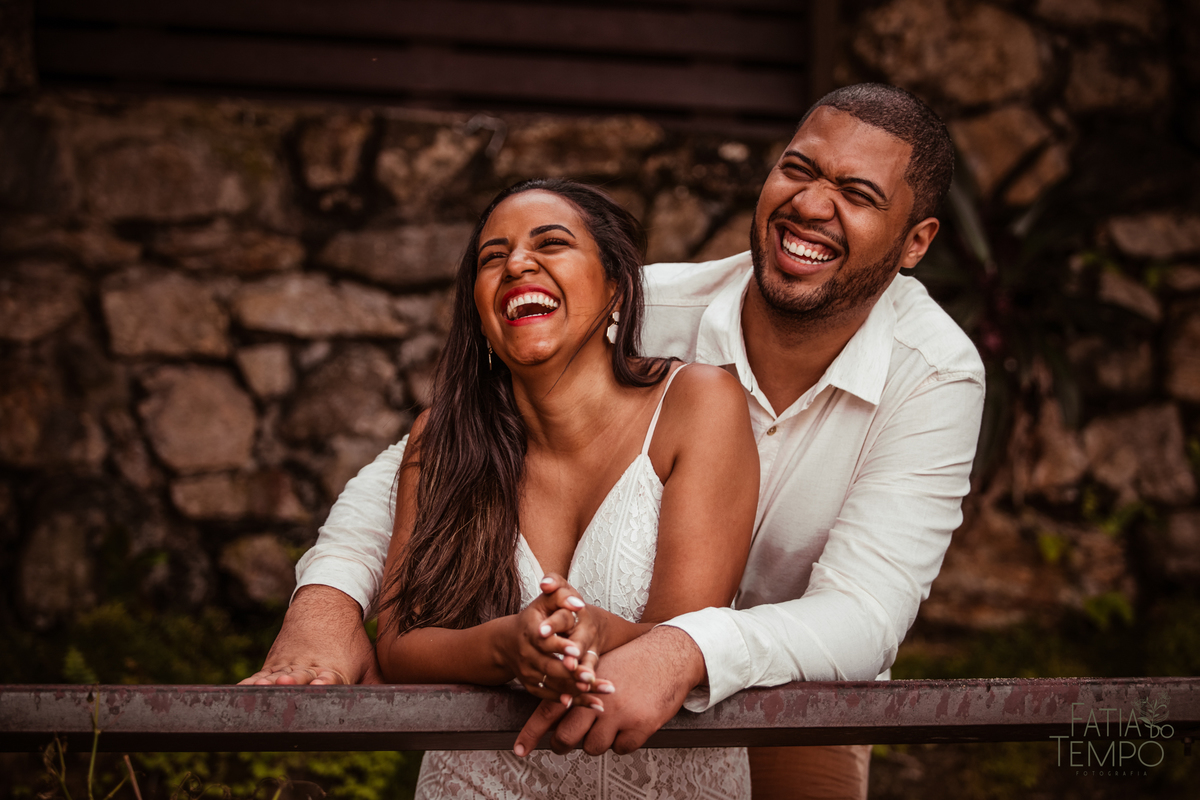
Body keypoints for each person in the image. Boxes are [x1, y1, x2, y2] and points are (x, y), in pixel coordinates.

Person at [243, 83, 986, 800]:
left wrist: (683, 647)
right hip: (551, 700)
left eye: (858, 194)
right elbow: (427, 457)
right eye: (798, 169)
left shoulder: (935, 375)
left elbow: (864, 613)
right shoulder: (637, 304)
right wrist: (326, 607)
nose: (812, 205)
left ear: (916, 241)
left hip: (799, 678)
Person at [368, 177, 759, 798]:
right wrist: (505, 649)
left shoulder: (697, 404)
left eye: (550, 243)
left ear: (615, 288)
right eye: (493, 257)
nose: (517, 264)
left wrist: (601, 633)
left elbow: (687, 633)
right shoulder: (441, 439)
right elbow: (398, 646)